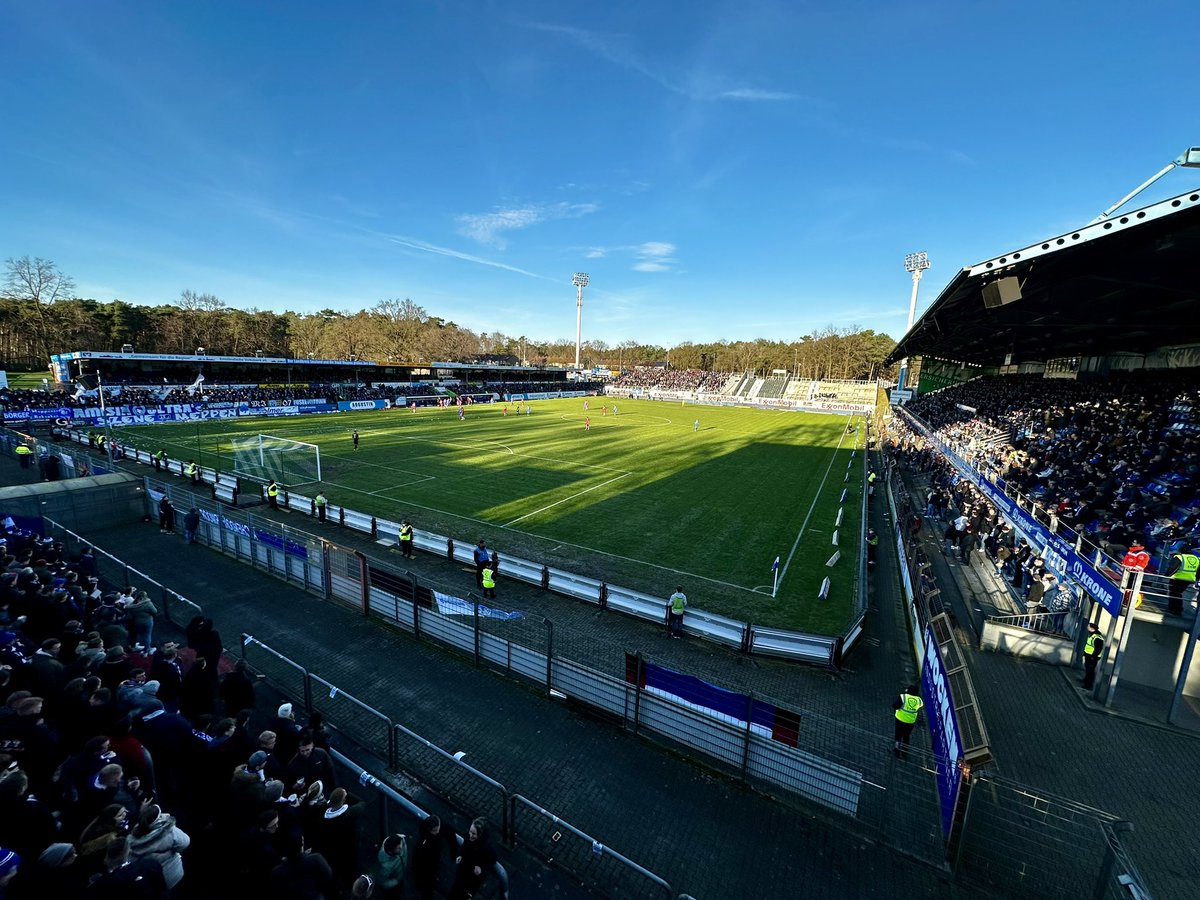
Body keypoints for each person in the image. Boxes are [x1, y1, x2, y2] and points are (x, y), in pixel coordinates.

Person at [449, 817, 495, 900]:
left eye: (473, 834)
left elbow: (492, 859)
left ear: (480, 835)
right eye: (470, 831)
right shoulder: (469, 836)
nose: (470, 835)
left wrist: (481, 869)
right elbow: (464, 846)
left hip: (472, 879)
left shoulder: (486, 847)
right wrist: (460, 855)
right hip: (463, 871)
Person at [371, 833, 408, 899]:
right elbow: (382, 882)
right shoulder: (385, 866)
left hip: (401, 873)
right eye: (397, 848)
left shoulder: (399, 840)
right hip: (396, 881)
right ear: (390, 852)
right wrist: (396, 881)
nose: (400, 847)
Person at [1164, 548, 1198, 615]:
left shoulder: (1180, 557)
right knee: (1178, 593)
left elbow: (1172, 567)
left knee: (1174, 593)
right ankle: (1176, 609)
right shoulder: (1197, 558)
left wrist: (1167, 575)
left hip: (1177, 577)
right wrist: (1197, 579)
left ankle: (1175, 609)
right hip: (1189, 579)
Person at [893, 684, 924, 759]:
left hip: (900, 719)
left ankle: (897, 749)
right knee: (906, 736)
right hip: (910, 722)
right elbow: (920, 705)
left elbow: (895, 706)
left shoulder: (903, 697)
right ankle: (904, 752)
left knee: (898, 735)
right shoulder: (919, 700)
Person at [1082, 621, 1104, 689]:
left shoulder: (1097, 637)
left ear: (1092, 628)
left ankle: (1089, 685)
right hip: (1088, 655)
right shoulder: (1092, 635)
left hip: (1092, 657)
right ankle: (1086, 681)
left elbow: (1098, 649)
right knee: (1087, 669)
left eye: (1088, 626)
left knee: (1090, 671)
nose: (1087, 627)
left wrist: (1093, 657)